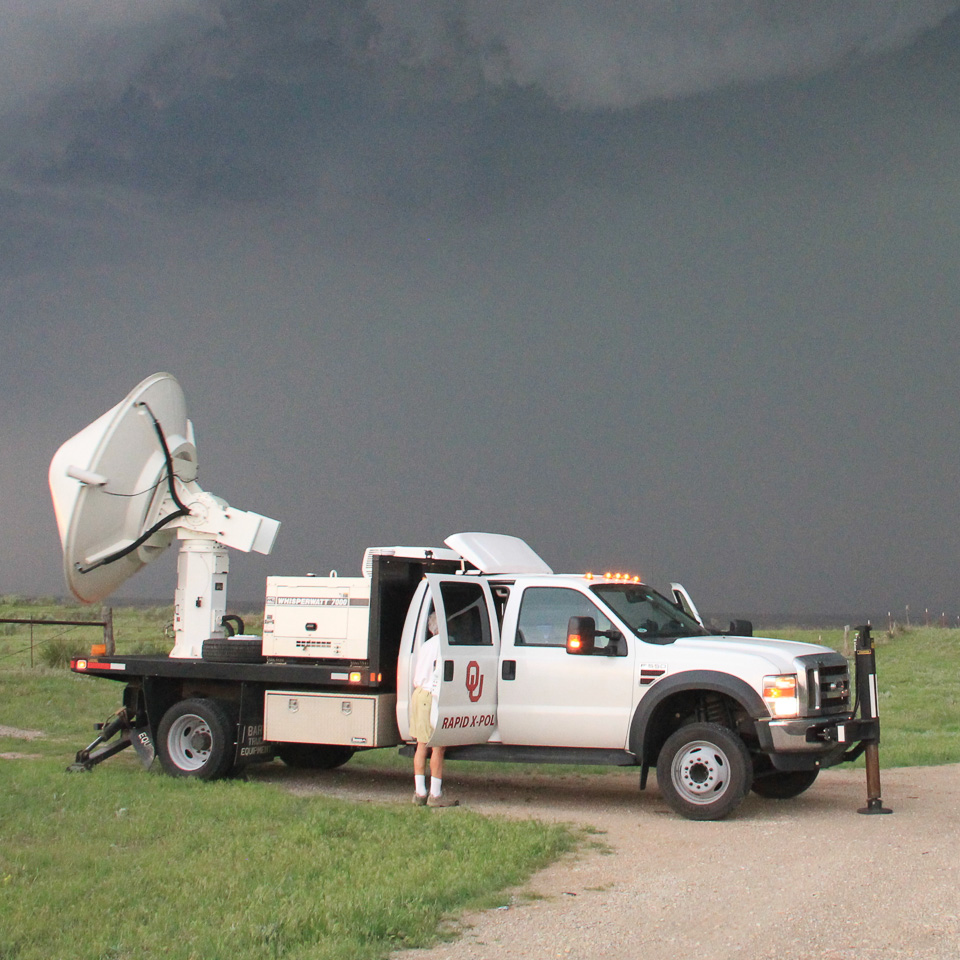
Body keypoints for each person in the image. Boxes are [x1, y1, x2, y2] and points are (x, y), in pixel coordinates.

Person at [411, 610, 458, 807]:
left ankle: (420, 792)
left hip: (419, 694)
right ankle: (436, 795)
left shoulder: (426, 645)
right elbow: (440, 674)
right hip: (433, 695)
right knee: (438, 747)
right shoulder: (445, 646)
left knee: (421, 745)